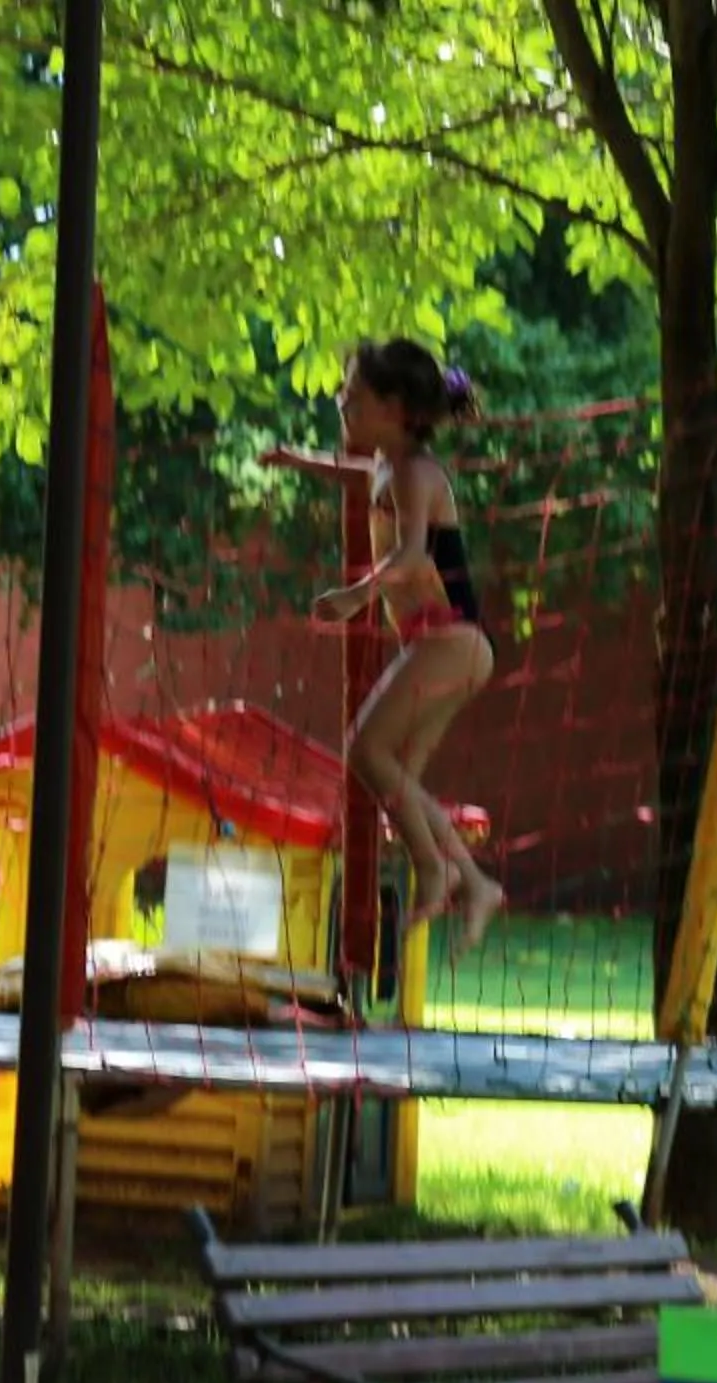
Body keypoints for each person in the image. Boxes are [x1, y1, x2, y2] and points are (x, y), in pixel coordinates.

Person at [263, 339, 504, 949]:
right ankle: (475, 883)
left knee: (365, 751)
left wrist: (354, 597)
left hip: (449, 642)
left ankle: (434, 867)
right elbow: (352, 474)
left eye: (355, 394)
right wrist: (296, 460)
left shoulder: (415, 472)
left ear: (396, 408)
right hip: (447, 646)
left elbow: (414, 553)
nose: (342, 400)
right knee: (403, 780)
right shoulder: (388, 470)